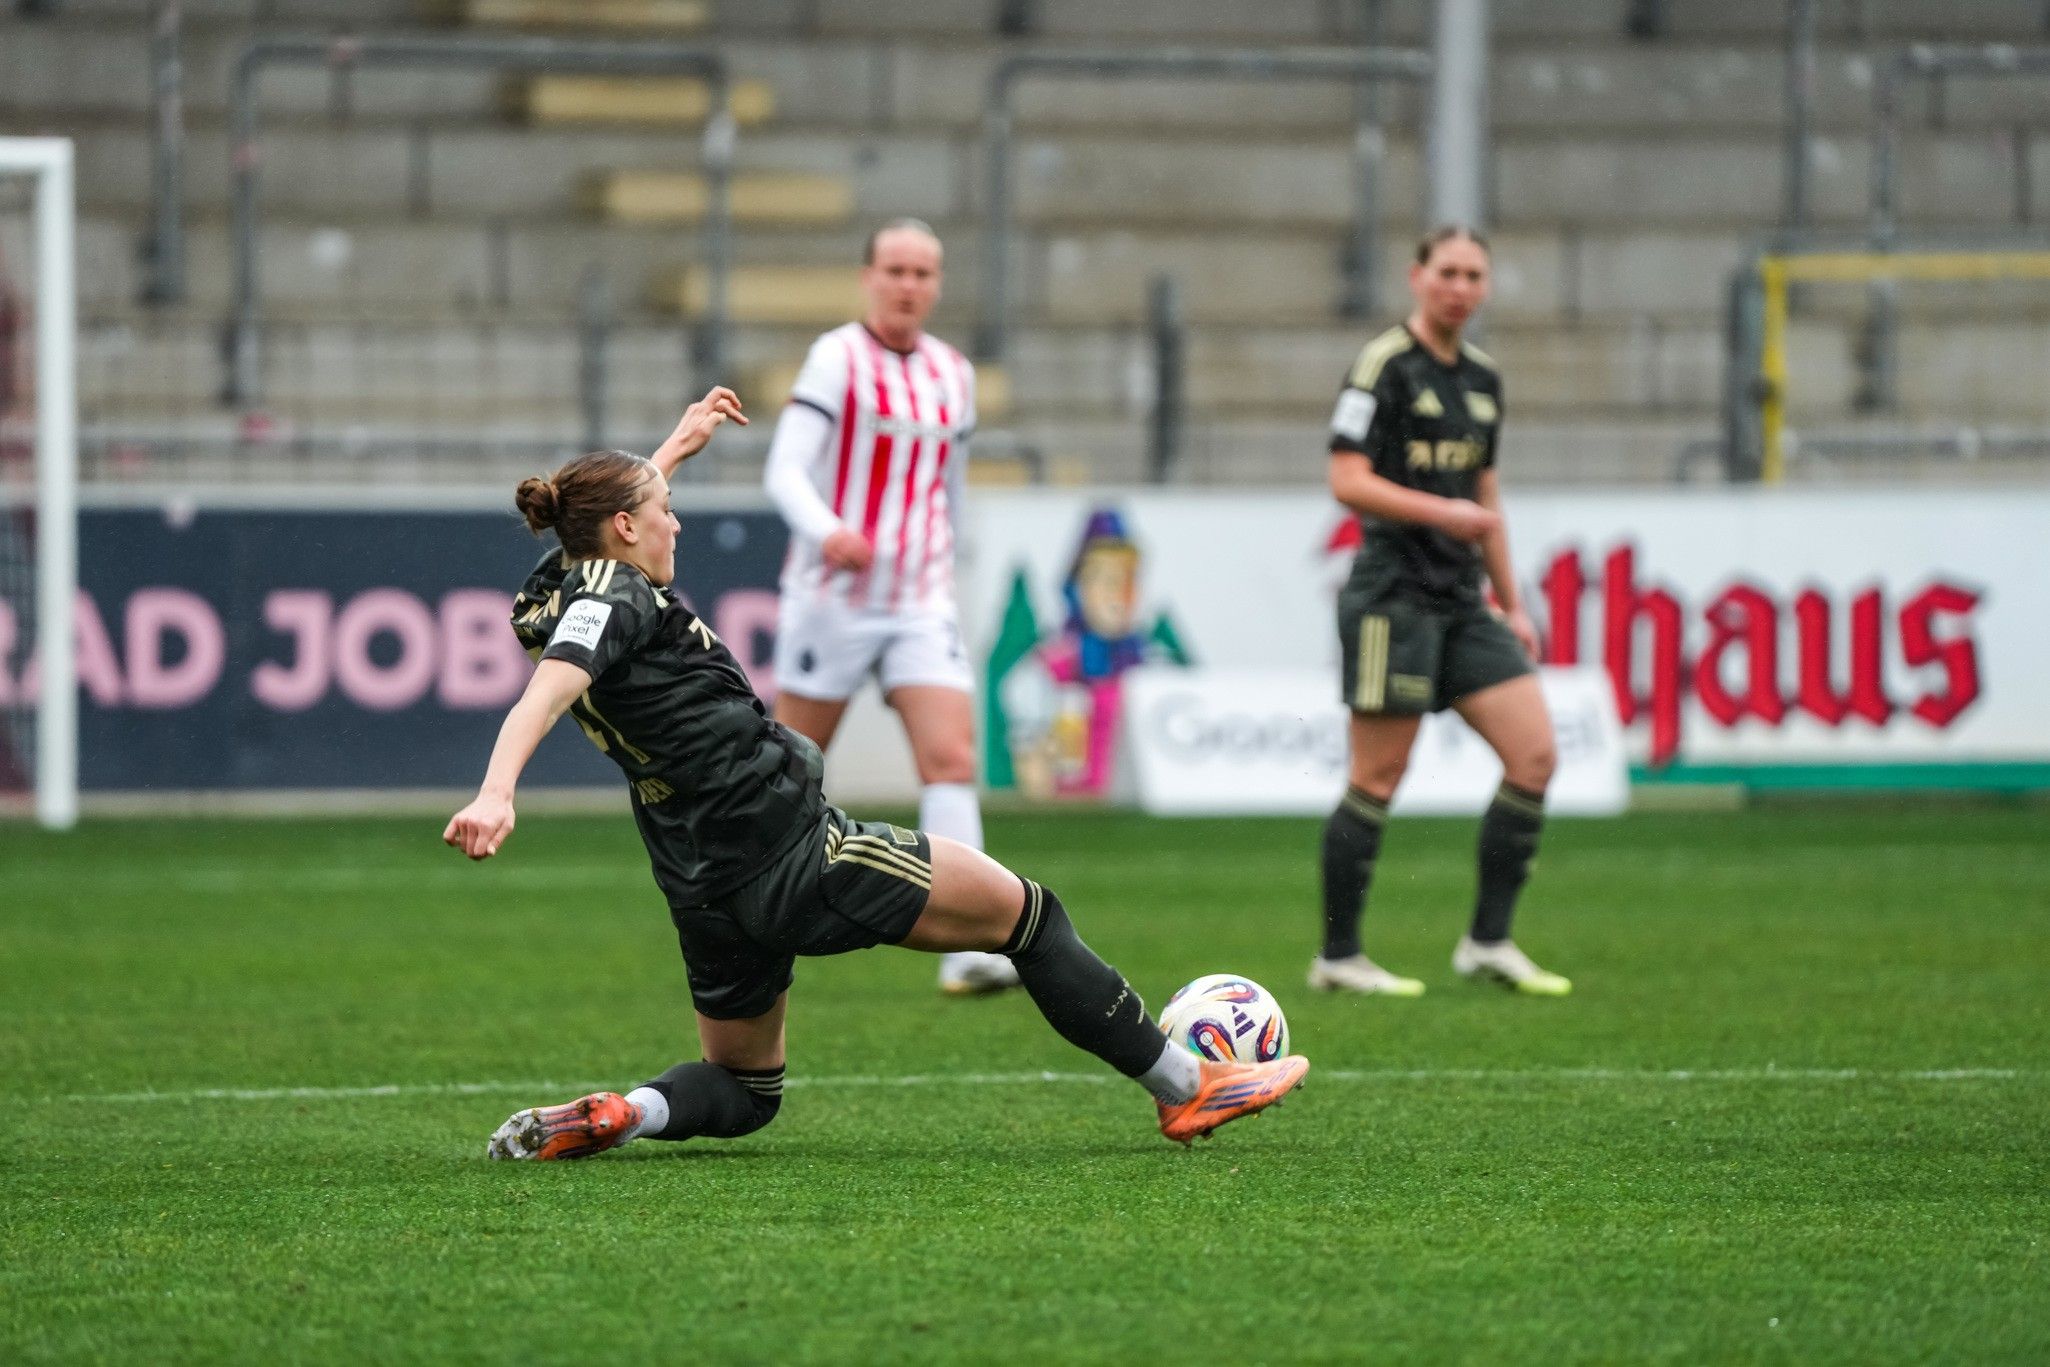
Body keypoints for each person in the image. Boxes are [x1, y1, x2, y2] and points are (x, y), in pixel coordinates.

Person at [443, 393, 1308, 1160]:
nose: (677, 522)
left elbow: (596, 547)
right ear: (627, 529)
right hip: (792, 848)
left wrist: (669, 451)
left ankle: (627, 1112)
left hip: (698, 875)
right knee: (1031, 917)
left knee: (745, 1089)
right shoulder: (618, 600)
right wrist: (496, 789)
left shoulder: (557, 582)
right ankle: (1187, 1082)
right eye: (665, 509)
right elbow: (549, 688)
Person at [1311, 225, 1572, 999]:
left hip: (1463, 601)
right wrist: (1439, 512)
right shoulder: (1382, 366)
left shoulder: (1485, 380)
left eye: (1474, 274)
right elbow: (1346, 478)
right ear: (1417, 276)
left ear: (1485, 287)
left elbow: (1484, 497)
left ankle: (1487, 941)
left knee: (1535, 757)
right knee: (1379, 774)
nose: (1460, 286)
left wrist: (1514, 602)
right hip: (1392, 597)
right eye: (1447, 271)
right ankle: (1339, 954)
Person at [761, 217, 1016, 998]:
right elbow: (784, 468)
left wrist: (952, 560)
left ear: (938, 285)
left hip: (918, 600)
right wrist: (827, 528)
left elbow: (953, 483)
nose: (909, 285)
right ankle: (750, 916)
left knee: (952, 759)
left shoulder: (953, 373)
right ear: (869, 276)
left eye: (923, 273)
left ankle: (968, 942)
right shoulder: (837, 357)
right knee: (787, 771)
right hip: (831, 600)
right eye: (896, 270)